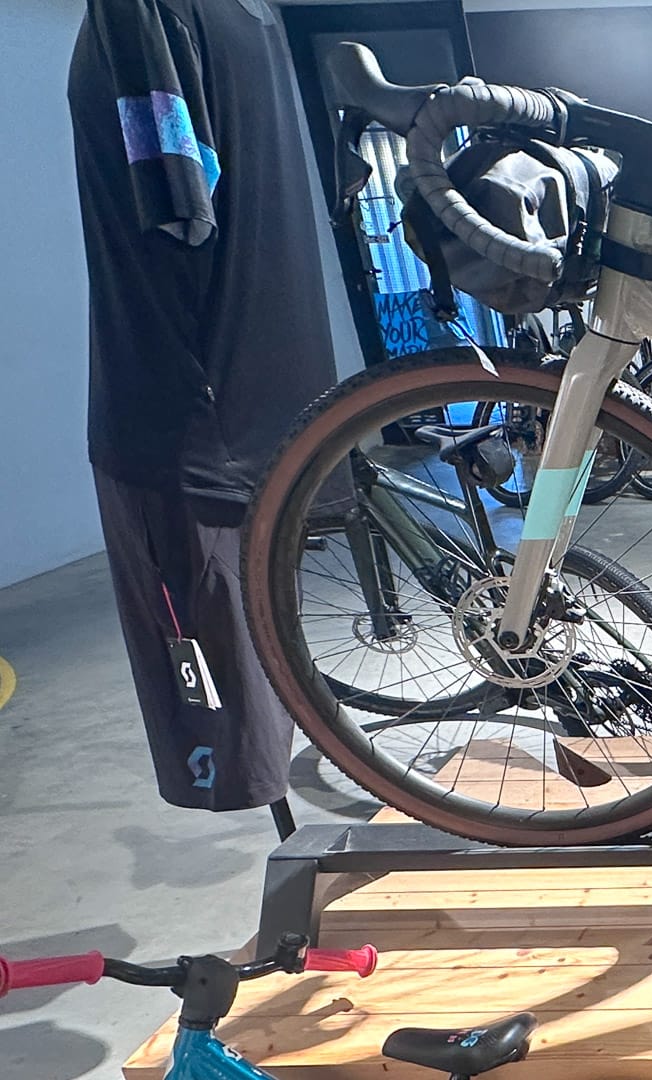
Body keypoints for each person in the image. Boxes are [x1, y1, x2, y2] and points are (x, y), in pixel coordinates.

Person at [69, 0, 339, 812]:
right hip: (278, 395)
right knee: (270, 626)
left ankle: (249, 790)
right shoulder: (249, 16)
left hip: (179, 411)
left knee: (224, 689)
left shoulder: (138, 12)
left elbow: (177, 196)